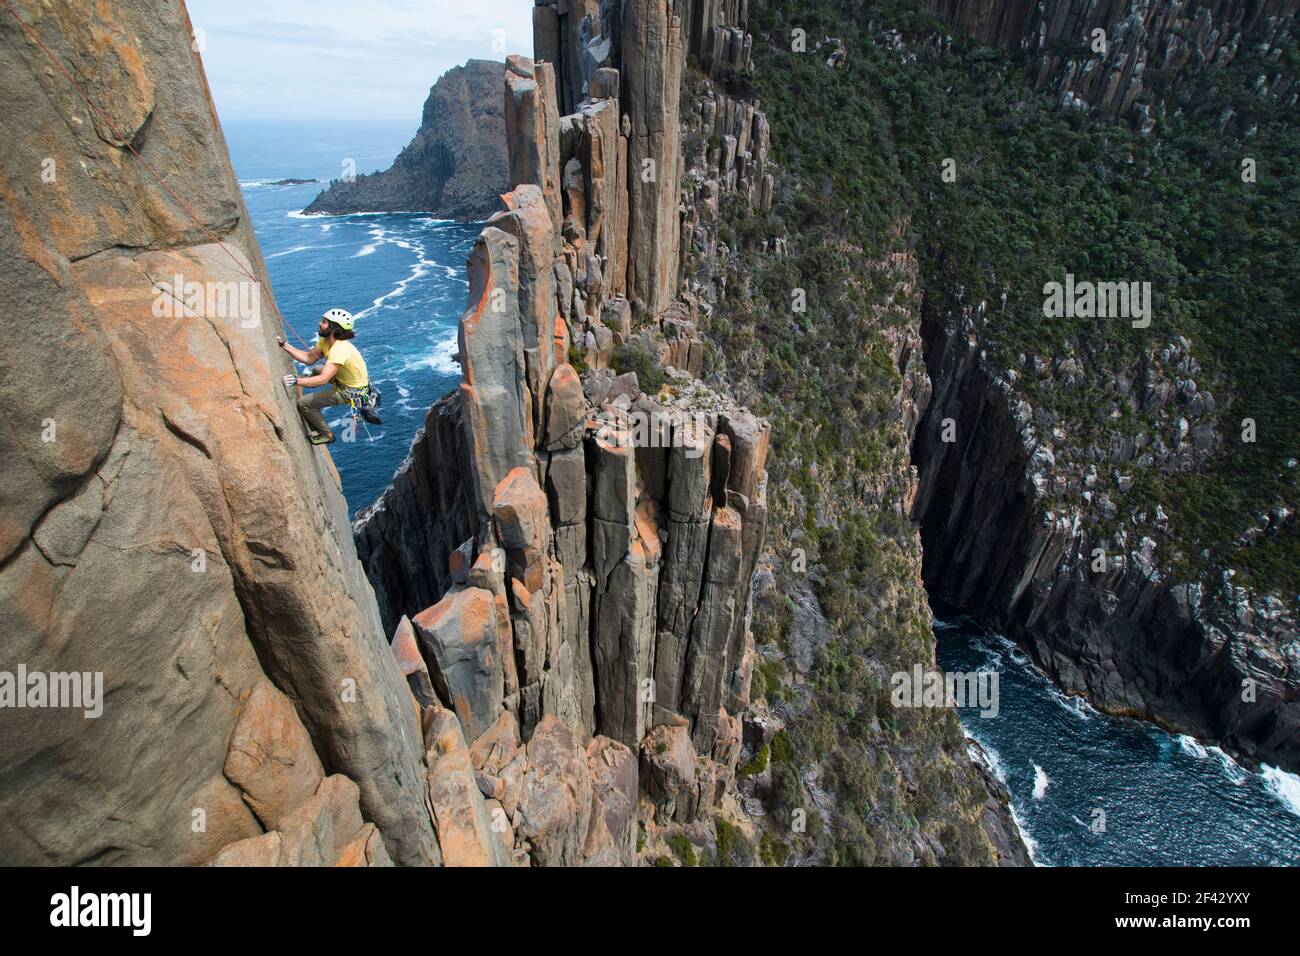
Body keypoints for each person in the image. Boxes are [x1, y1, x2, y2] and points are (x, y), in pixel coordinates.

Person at [280, 308, 371, 445]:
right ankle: (310, 381)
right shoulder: (325, 341)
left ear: (333, 328)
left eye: (323, 322)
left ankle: (327, 435)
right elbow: (308, 358)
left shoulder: (340, 349)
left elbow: (323, 378)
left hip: (350, 391)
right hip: (345, 379)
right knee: (317, 369)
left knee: (304, 403)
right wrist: (284, 346)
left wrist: (297, 381)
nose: (319, 323)